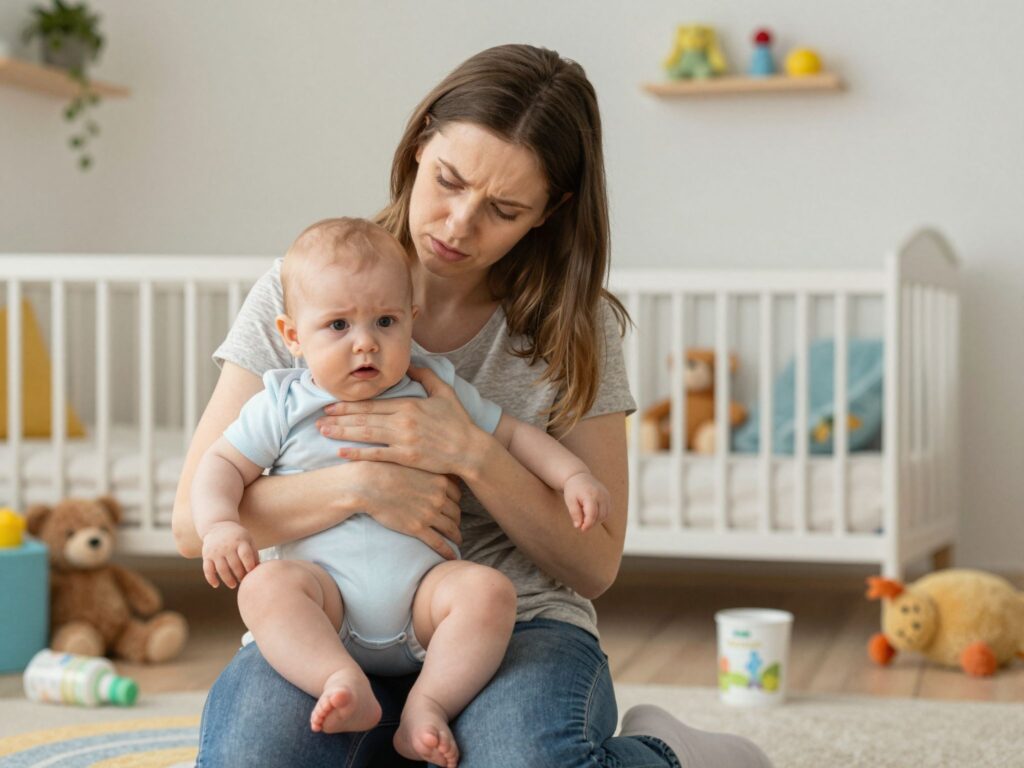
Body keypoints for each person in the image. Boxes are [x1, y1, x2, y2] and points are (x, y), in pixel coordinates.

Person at [174, 43, 772, 768]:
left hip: (504, 618)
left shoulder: (574, 326)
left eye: (503, 209)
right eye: (448, 181)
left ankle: (670, 753)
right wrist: (359, 486)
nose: (458, 224)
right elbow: (193, 520)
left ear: (549, 212)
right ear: (419, 142)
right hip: (326, 619)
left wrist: (470, 455)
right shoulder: (305, 288)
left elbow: (594, 563)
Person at [190, 217, 611, 767]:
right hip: (328, 604)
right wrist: (221, 523)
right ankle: (337, 679)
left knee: (487, 593)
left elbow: (512, 434)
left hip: (423, 605)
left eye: (385, 321)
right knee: (266, 588)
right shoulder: (283, 402)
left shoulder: (430, 384)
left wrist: (571, 475)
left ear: (411, 321)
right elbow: (219, 464)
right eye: (338, 326)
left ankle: (427, 707)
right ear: (293, 336)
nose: (365, 342)